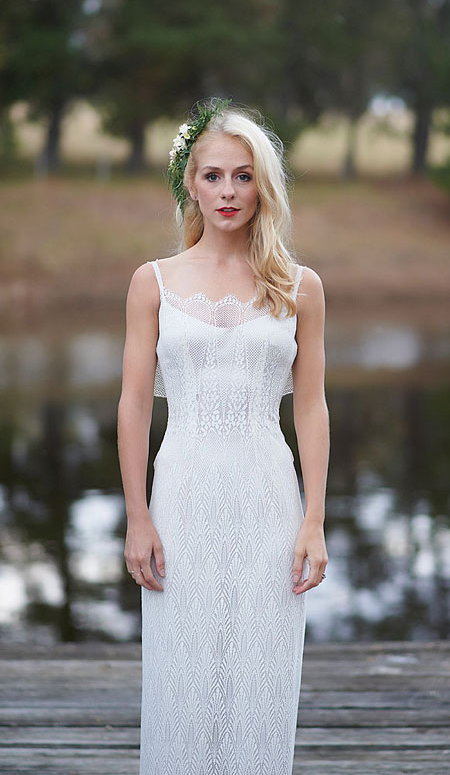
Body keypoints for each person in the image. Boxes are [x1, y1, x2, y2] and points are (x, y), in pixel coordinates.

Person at [117, 98, 330, 775]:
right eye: (213, 176)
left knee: (259, 673)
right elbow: (131, 406)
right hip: (180, 498)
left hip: (270, 498)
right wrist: (137, 516)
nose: (228, 192)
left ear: (262, 185)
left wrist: (315, 521)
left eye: (242, 176)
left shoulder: (299, 287)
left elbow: (313, 409)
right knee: (183, 672)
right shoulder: (152, 282)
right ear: (190, 181)